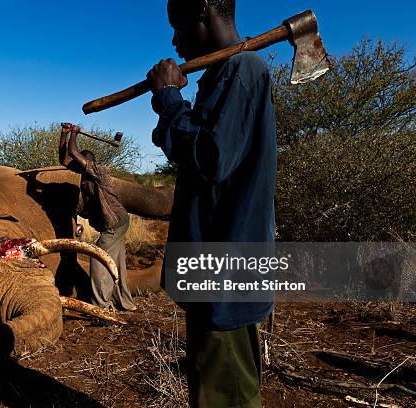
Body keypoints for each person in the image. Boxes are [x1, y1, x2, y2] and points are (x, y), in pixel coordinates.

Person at [146, 0, 276, 407]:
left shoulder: (243, 70)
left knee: (226, 397)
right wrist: (171, 114)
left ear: (202, 10)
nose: (175, 39)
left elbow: (212, 157)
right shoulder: (223, 74)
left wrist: (169, 99)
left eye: (178, 24)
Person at [58, 124, 136, 311]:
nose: (75, 166)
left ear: (87, 162)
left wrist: (74, 134)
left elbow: (74, 153)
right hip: (117, 222)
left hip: (115, 224)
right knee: (115, 263)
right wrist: (63, 135)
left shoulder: (99, 171)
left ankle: (101, 305)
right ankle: (125, 303)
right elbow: (65, 159)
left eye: (80, 162)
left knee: (99, 258)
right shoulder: (84, 174)